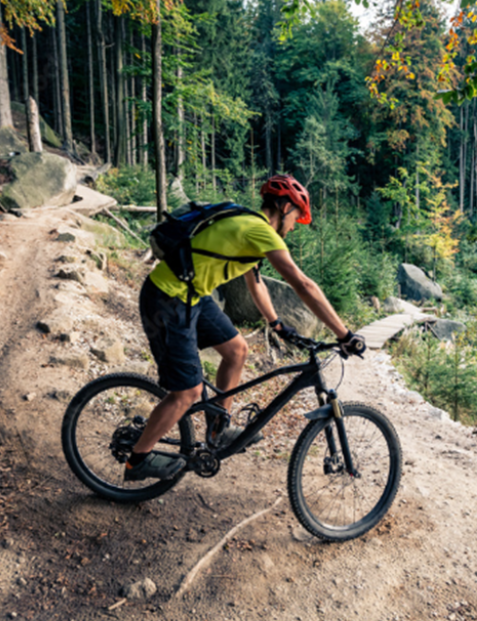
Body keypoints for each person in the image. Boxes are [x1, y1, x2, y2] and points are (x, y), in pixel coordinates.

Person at [126, 174, 366, 480]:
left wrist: (276, 324)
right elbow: (303, 284)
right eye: (296, 217)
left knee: (237, 350)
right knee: (188, 390)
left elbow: (256, 282)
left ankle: (217, 429)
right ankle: (139, 459)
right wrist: (344, 335)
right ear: (283, 207)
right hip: (168, 298)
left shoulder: (250, 226)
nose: (294, 226)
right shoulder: (258, 230)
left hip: (192, 295)